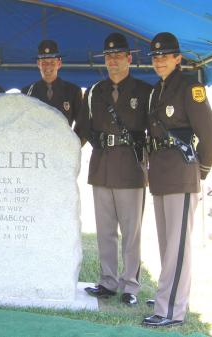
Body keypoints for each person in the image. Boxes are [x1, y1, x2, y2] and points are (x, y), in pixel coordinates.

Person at [142, 32, 212, 327]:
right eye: (155, 57)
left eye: (165, 56)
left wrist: (201, 171)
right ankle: (167, 296)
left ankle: (171, 310)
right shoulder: (156, 91)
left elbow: (209, 135)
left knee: (177, 246)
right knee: (166, 243)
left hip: (182, 174)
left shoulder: (190, 88)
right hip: (161, 174)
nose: (159, 61)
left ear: (178, 58)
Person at [77, 33, 152, 305]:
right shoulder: (95, 92)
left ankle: (130, 285)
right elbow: (81, 130)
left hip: (131, 170)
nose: (113, 61)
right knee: (105, 230)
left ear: (129, 58)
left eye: (118, 56)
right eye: (108, 57)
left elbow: (153, 131)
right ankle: (108, 281)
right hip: (102, 168)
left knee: (131, 232)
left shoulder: (144, 91)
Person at [22, 40, 82, 128]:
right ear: (38, 64)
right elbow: (22, 125)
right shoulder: (27, 93)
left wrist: (75, 142)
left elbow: (82, 125)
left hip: (63, 141)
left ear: (59, 63)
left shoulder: (73, 91)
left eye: (52, 62)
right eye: (44, 63)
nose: (48, 66)